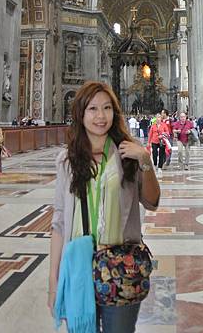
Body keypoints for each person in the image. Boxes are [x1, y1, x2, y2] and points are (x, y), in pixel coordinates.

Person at [48, 81, 160, 332]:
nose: (101, 116)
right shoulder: (66, 160)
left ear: (115, 112)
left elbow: (152, 202)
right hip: (78, 265)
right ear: (80, 114)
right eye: (93, 109)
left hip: (120, 265)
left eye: (107, 108)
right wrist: (53, 282)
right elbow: (59, 222)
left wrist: (145, 160)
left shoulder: (128, 155)